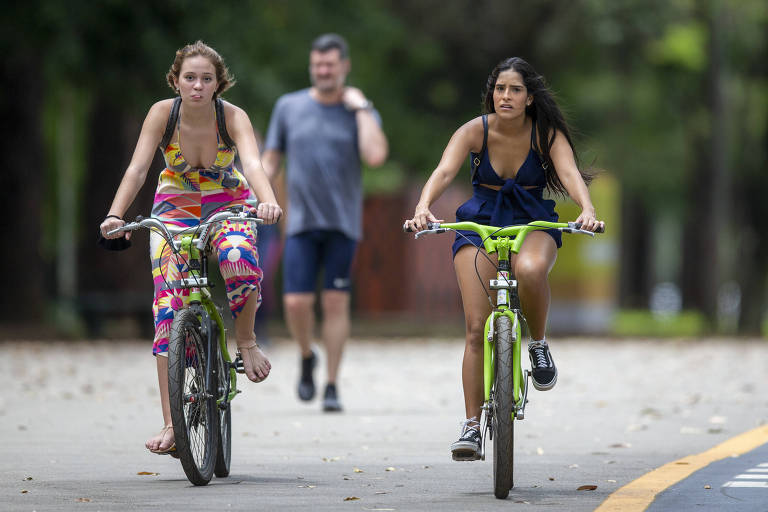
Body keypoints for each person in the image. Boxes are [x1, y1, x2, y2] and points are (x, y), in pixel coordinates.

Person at [404, 57, 605, 460]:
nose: (505, 97)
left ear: (529, 98)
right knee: (477, 328)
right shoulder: (474, 130)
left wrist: (587, 209)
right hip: (479, 222)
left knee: (530, 270)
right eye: (499, 89)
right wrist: (424, 206)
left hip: (532, 222)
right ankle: (471, 426)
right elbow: (444, 171)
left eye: (515, 90)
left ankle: (539, 343)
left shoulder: (545, 133)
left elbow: (568, 173)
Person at [99, 41, 282, 454]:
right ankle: (171, 423)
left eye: (206, 79)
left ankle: (248, 341)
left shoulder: (232, 117)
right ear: (176, 80)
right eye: (190, 78)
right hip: (175, 206)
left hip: (227, 201)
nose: (198, 86)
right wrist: (116, 214)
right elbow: (139, 167)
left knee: (237, 256)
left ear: (219, 84)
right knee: (167, 308)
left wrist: (266, 199)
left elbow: (252, 164)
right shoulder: (162, 114)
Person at [261, 33, 388, 412]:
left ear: (344, 66)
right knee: (297, 302)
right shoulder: (289, 106)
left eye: (330, 64)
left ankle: (331, 384)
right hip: (299, 222)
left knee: (335, 303)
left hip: (342, 224)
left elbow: (376, 155)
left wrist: (362, 107)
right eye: (317, 64)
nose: (323, 70)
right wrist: (256, 190)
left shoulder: (359, 111)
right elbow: (270, 158)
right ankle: (306, 356)